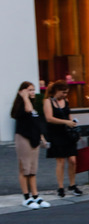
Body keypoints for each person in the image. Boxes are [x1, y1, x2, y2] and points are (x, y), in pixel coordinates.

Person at [10, 81, 51, 209]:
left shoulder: (33, 106)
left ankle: (35, 195)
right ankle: (26, 197)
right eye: (29, 90)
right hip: (23, 138)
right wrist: (24, 97)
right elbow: (27, 110)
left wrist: (42, 137)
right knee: (24, 169)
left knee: (33, 170)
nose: (32, 92)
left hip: (34, 139)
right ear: (22, 91)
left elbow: (36, 123)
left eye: (33, 90)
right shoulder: (21, 106)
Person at [43, 80, 83, 197]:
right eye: (63, 92)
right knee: (60, 161)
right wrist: (66, 122)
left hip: (67, 134)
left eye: (66, 93)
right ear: (57, 91)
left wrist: (73, 126)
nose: (65, 95)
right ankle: (60, 187)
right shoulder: (48, 101)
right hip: (56, 134)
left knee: (72, 160)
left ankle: (72, 184)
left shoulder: (65, 101)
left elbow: (69, 116)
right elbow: (49, 118)